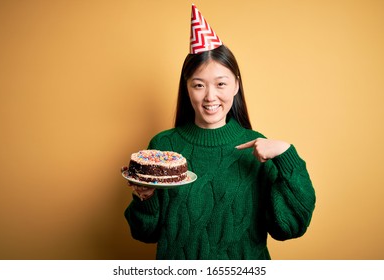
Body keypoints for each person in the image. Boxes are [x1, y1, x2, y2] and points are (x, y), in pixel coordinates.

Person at [124, 4, 315, 260]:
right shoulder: (162, 148)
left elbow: (290, 227)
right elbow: (145, 233)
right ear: (187, 88)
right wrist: (145, 197)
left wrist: (287, 155)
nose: (210, 97)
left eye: (221, 83)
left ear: (236, 84)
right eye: (199, 85)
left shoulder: (258, 148)